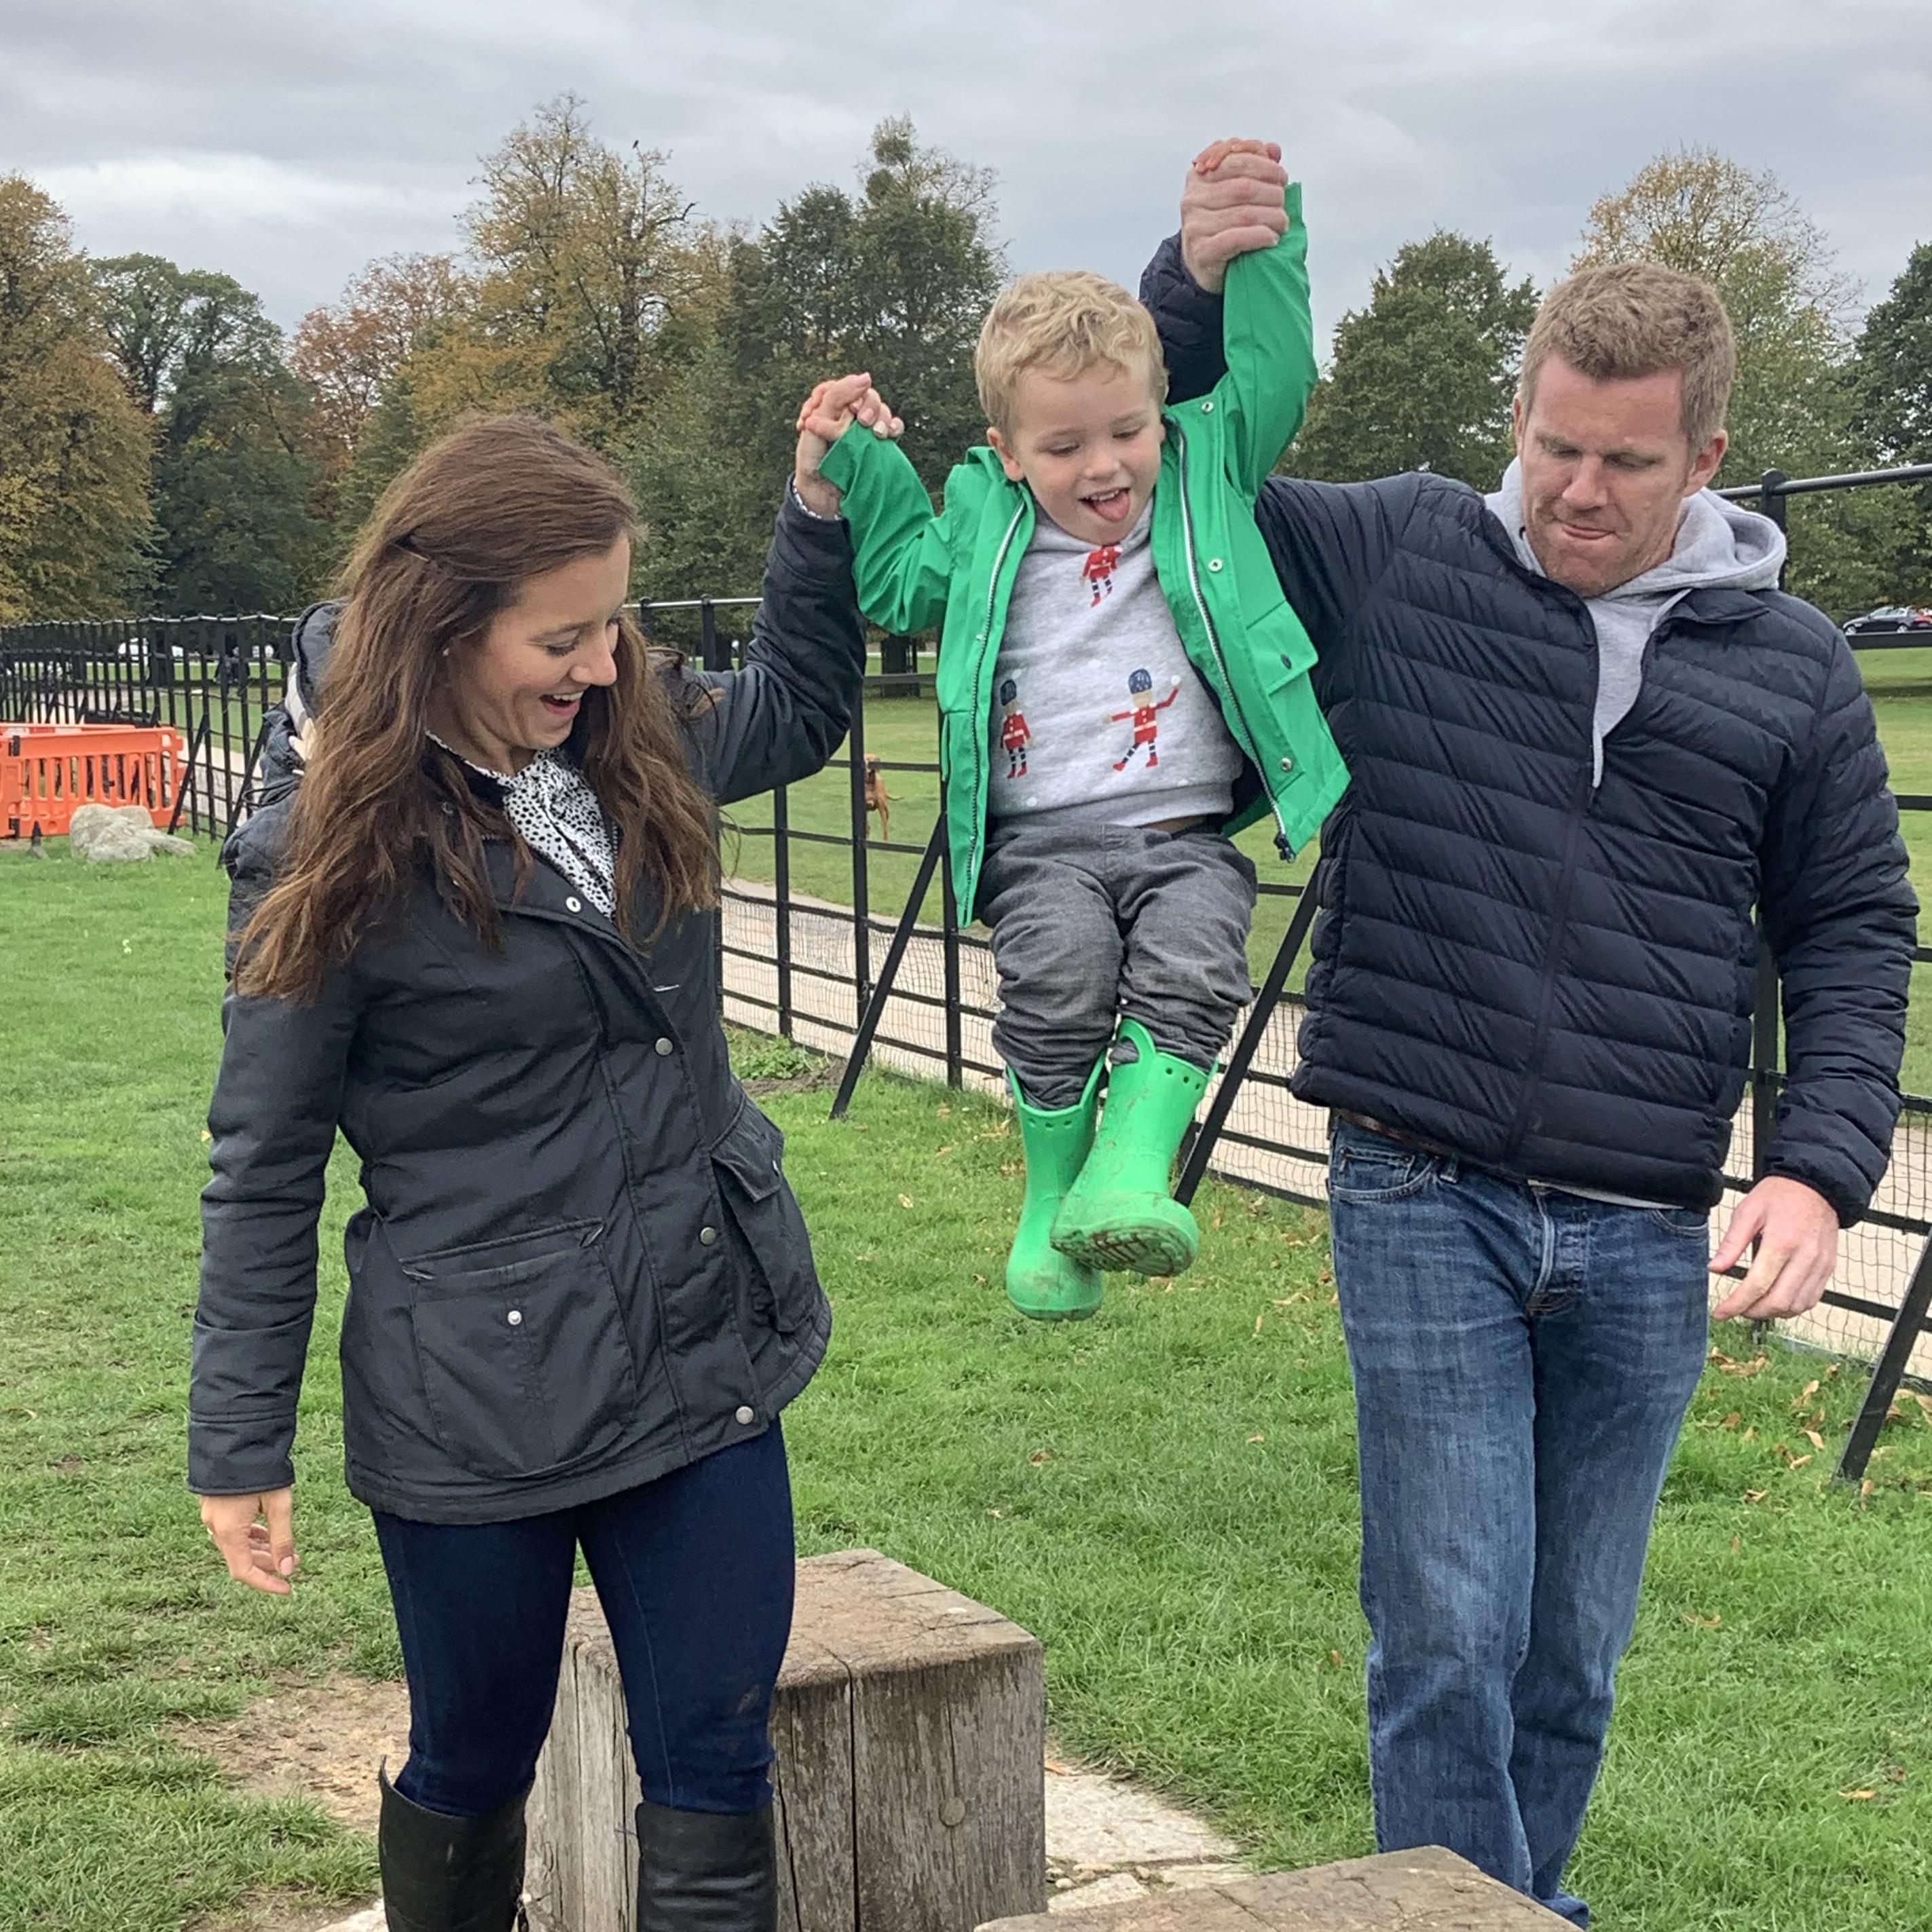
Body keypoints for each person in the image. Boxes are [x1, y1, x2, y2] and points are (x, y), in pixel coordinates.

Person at [1141, 147, 1916, 1923]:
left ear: (1700, 457)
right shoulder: (1399, 548)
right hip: (1419, 1181)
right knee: (1446, 1625)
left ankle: (1499, 1901)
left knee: (1564, 1653)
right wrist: (1189, 289)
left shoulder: (1788, 663)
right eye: (1549, 442)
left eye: (1620, 461)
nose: (1570, 488)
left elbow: (1850, 923)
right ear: (1520, 407)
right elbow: (1181, 461)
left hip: (1644, 1223)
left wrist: (1812, 1166)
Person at [189, 396, 884, 1932]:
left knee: (713, 1761)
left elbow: (804, 705)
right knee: (473, 1756)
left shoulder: (636, 736)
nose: (604, 663)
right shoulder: (330, 842)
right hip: (475, 1398)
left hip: (699, 1346)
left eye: (614, 623)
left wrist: (815, 518)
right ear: (445, 627)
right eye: (559, 638)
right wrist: (238, 1440)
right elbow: (265, 1160)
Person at [793, 148, 1347, 1323]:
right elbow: (894, 586)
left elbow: (1276, 370)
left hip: (1184, 829)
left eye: (1125, 431)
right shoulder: (982, 513)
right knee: (1053, 986)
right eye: (1062, 448)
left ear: (1158, 416)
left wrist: (1264, 244)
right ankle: (1053, 1208)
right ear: (1007, 451)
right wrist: (860, 462)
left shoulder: (1205, 465)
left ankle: (1131, 1173)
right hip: (1041, 841)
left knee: (1197, 970)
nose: (1103, 466)